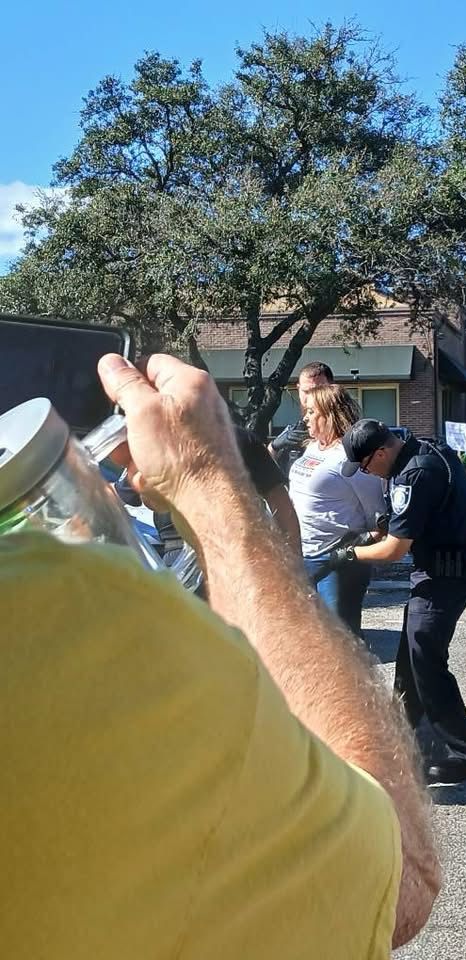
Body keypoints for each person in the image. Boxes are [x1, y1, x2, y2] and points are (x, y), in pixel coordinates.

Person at [0, 356, 440, 959]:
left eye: (312, 396)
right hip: (208, 578)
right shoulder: (66, 609)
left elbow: (287, 508)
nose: (306, 404)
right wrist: (207, 485)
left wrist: (294, 565)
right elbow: (399, 879)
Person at [331, 419, 466, 786]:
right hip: (438, 571)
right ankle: (399, 741)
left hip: (444, 575)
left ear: (381, 452)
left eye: (366, 466)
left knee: (426, 661)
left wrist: (349, 556)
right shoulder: (421, 451)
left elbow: (394, 550)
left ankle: (462, 754)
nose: (367, 473)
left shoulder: (414, 475)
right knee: (411, 659)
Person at [117, 423, 301, 560]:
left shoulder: (155, 442)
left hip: (231, 552)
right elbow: (282, 506)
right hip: (218, 555)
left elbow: (281, 505)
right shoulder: (154, 443)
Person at [289, 384, 386, 636]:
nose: (305, 417)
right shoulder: (311, 447)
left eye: (311, 412)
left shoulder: (349, 457)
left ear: (329, 414)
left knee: (342, 643)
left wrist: (350, 551)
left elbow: (380, 522)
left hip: (337, 565)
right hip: (301, 557)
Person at [269, 361, 334, 475]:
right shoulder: (294, 429)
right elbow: (263, 467)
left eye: (317, 391)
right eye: (306, 391)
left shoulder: (344, 428)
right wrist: (274, 446)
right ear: (298, 389)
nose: (311, 397)